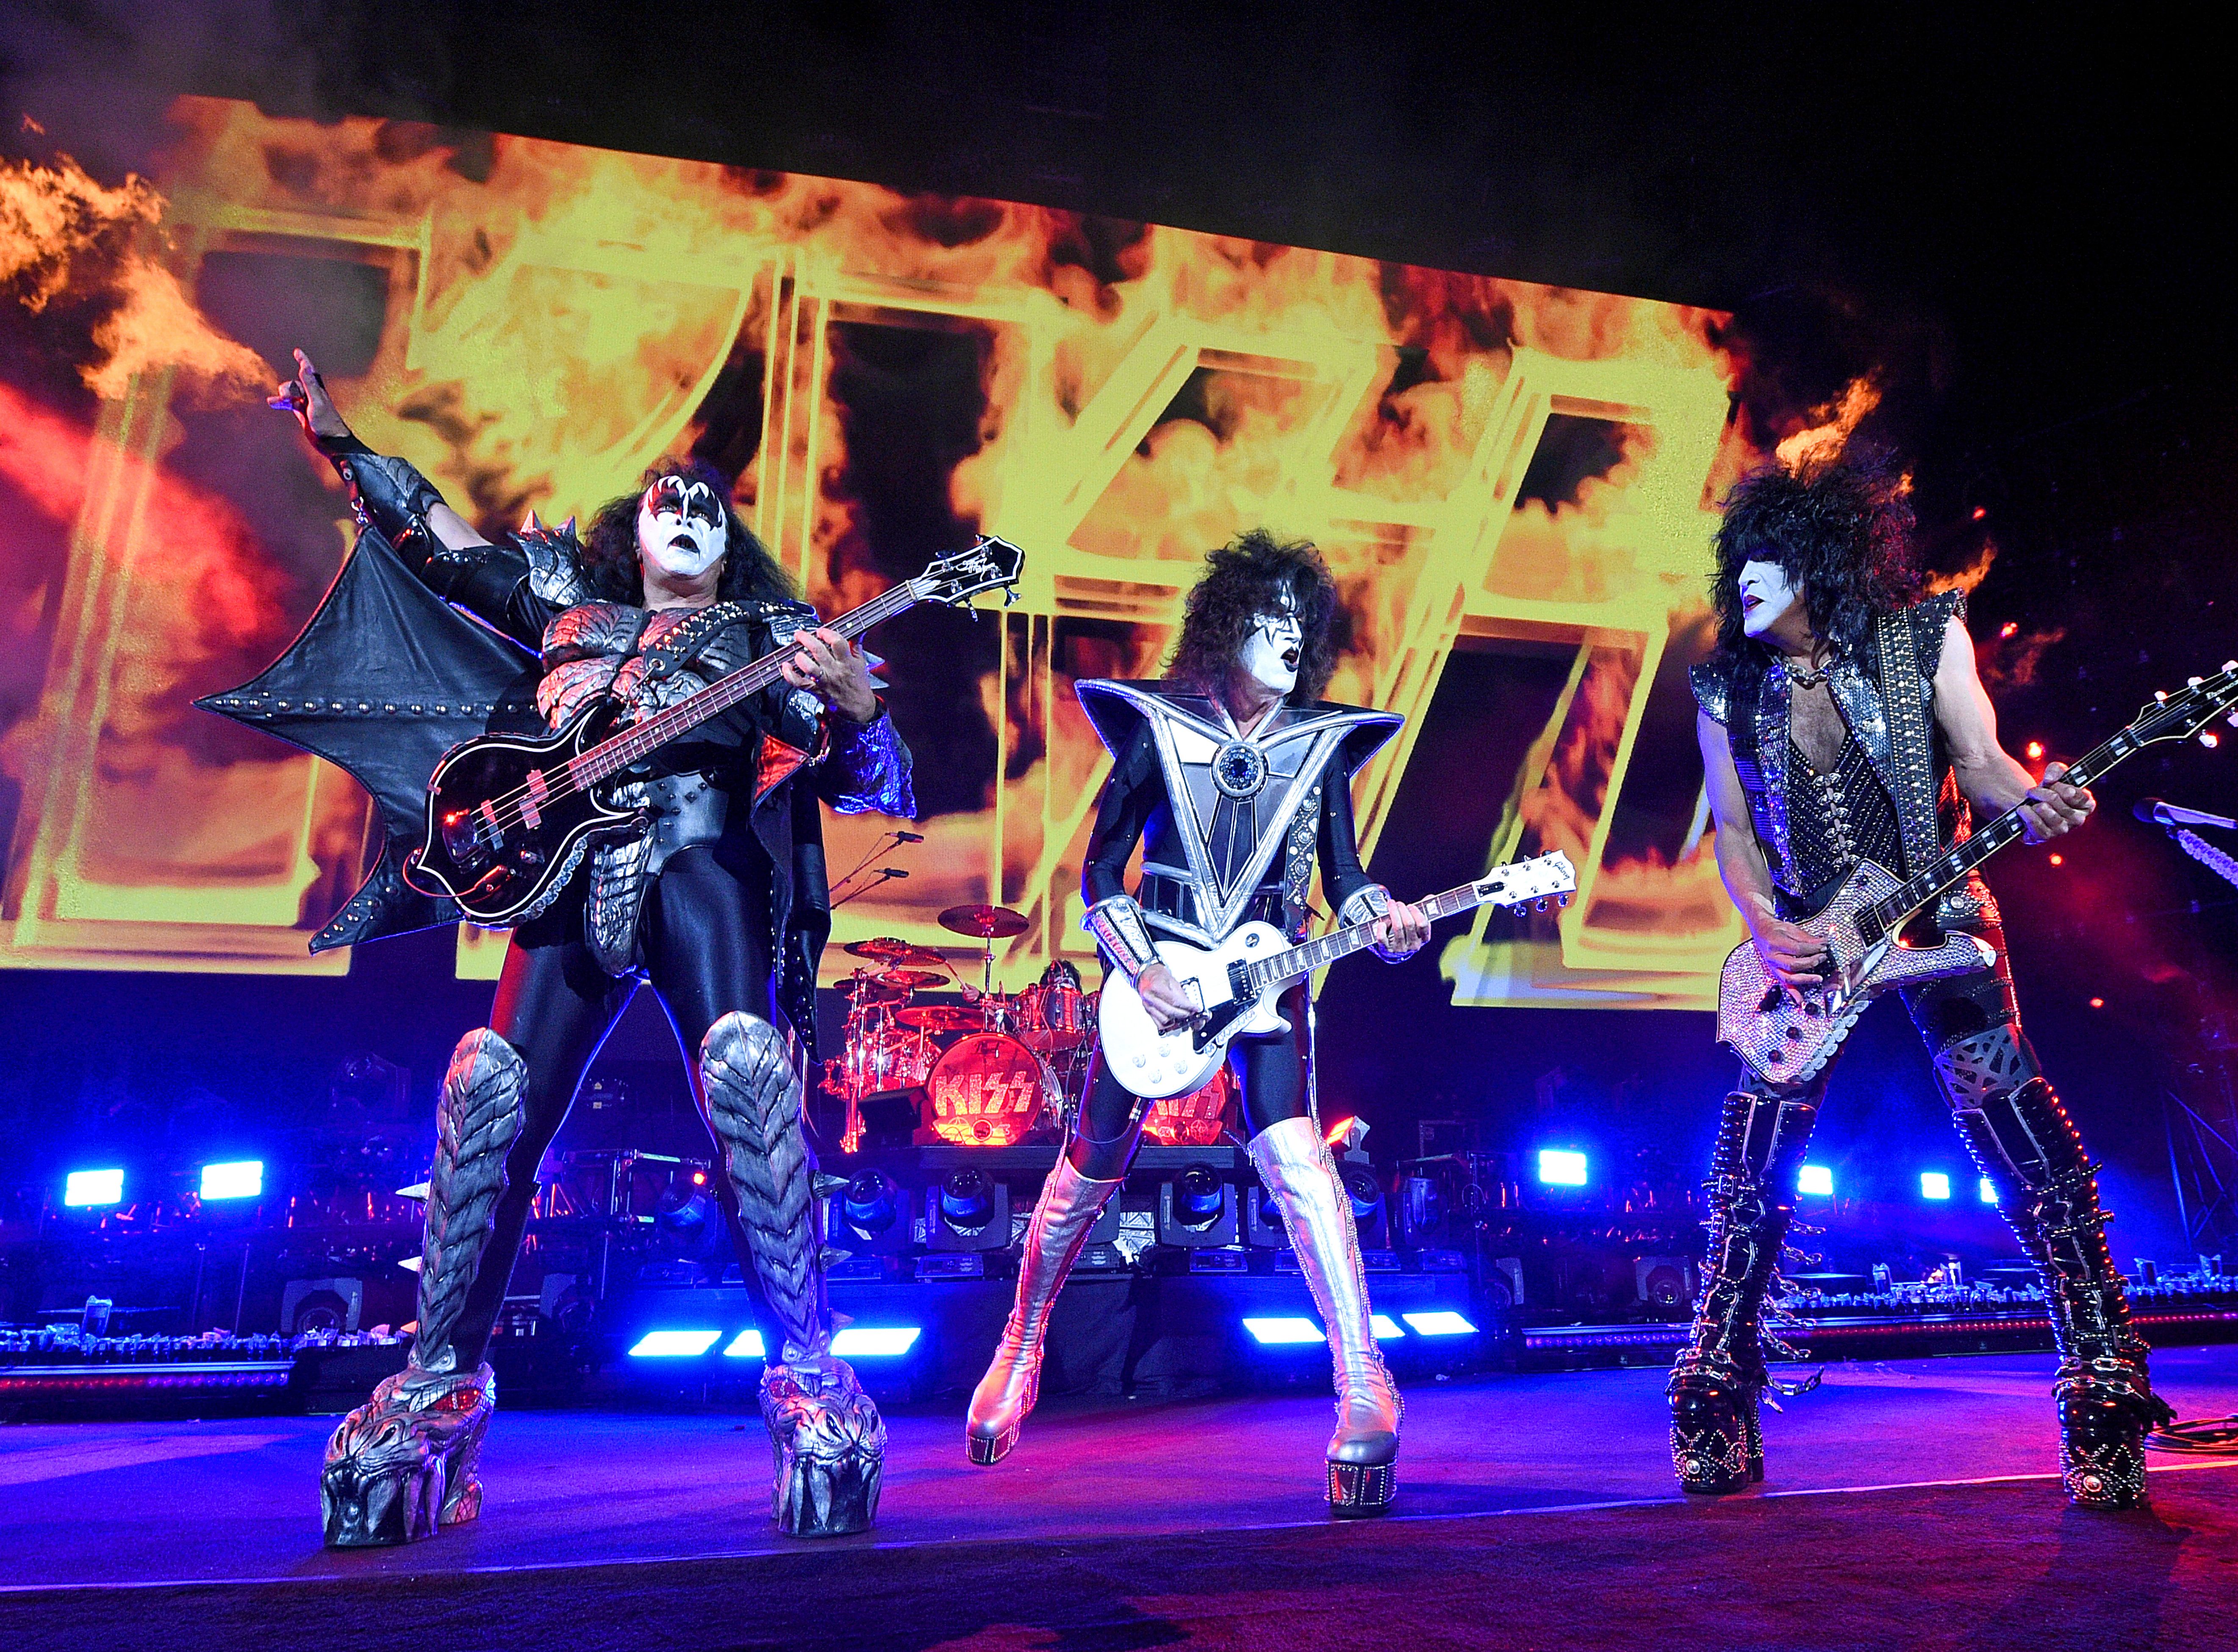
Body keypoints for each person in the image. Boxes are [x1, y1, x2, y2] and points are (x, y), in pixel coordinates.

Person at [252, 351, 914, 1545]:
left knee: (749, 1073)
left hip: (703, 864)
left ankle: (812, 1378)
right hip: (558, 876)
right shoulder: (566, 609)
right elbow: (441, 547)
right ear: (632, 529)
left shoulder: (771, 633)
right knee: (487, 1095)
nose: (689, 502)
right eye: (669, 491)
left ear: (731, 547)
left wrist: (858, 714)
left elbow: (879, 782)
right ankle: (439, 1383)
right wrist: (339, 442)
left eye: (711, 501)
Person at [1678, 454, 2174, 1508]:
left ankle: (2102, 1381)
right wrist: (1766, 928)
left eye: (1766, 558)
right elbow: (1731, 827)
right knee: (1750, 1165)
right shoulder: (1725, 680)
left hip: (1939, 918)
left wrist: (2031, 802)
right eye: (1740, 561)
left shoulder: (1924, 633)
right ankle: (1715, 1389)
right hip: (1810, 950)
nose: (1746, 580)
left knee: (2019, 1130)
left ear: (1819, 558)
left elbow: (1985, 763)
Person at [963, 530, 1430, 1516]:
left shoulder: (1321, 746)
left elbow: (1343, 882)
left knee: (1298, 1155)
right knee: (1092, 1158)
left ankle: (1362, 1382)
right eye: (1268, 621)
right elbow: (1099, 873)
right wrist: (1142, 969)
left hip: (1268, 974)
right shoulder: (1159, 724)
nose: (1289, 638)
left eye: (1302, 623)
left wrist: (1381, 921)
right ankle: (1022, 1342)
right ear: (1225, 630)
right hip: (1160, 972)